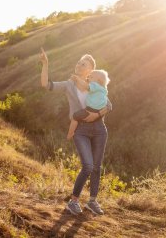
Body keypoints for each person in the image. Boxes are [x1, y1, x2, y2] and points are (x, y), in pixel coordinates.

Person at [40, 47, 112, 215]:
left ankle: (92, 201)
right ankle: (73, 202)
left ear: (90, 70)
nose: (79, 64)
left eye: (83, 63)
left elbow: (109, 105)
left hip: (99, 128)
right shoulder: (69, 85)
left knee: (97, 167)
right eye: (78, 62)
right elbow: (46, 85)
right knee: (87, 165)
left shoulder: (94, 85)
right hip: (81, 130)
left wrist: (96, 115)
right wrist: (45, 64)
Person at [67, 69, 110, 140]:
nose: (88, 78)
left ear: (98, 80)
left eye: (91, 77)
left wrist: (77, 79)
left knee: (75, 117)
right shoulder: (103, 89)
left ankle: (70, 133)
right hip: (99, 112)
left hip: (90, 110)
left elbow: (86, 86)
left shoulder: (95, 85)